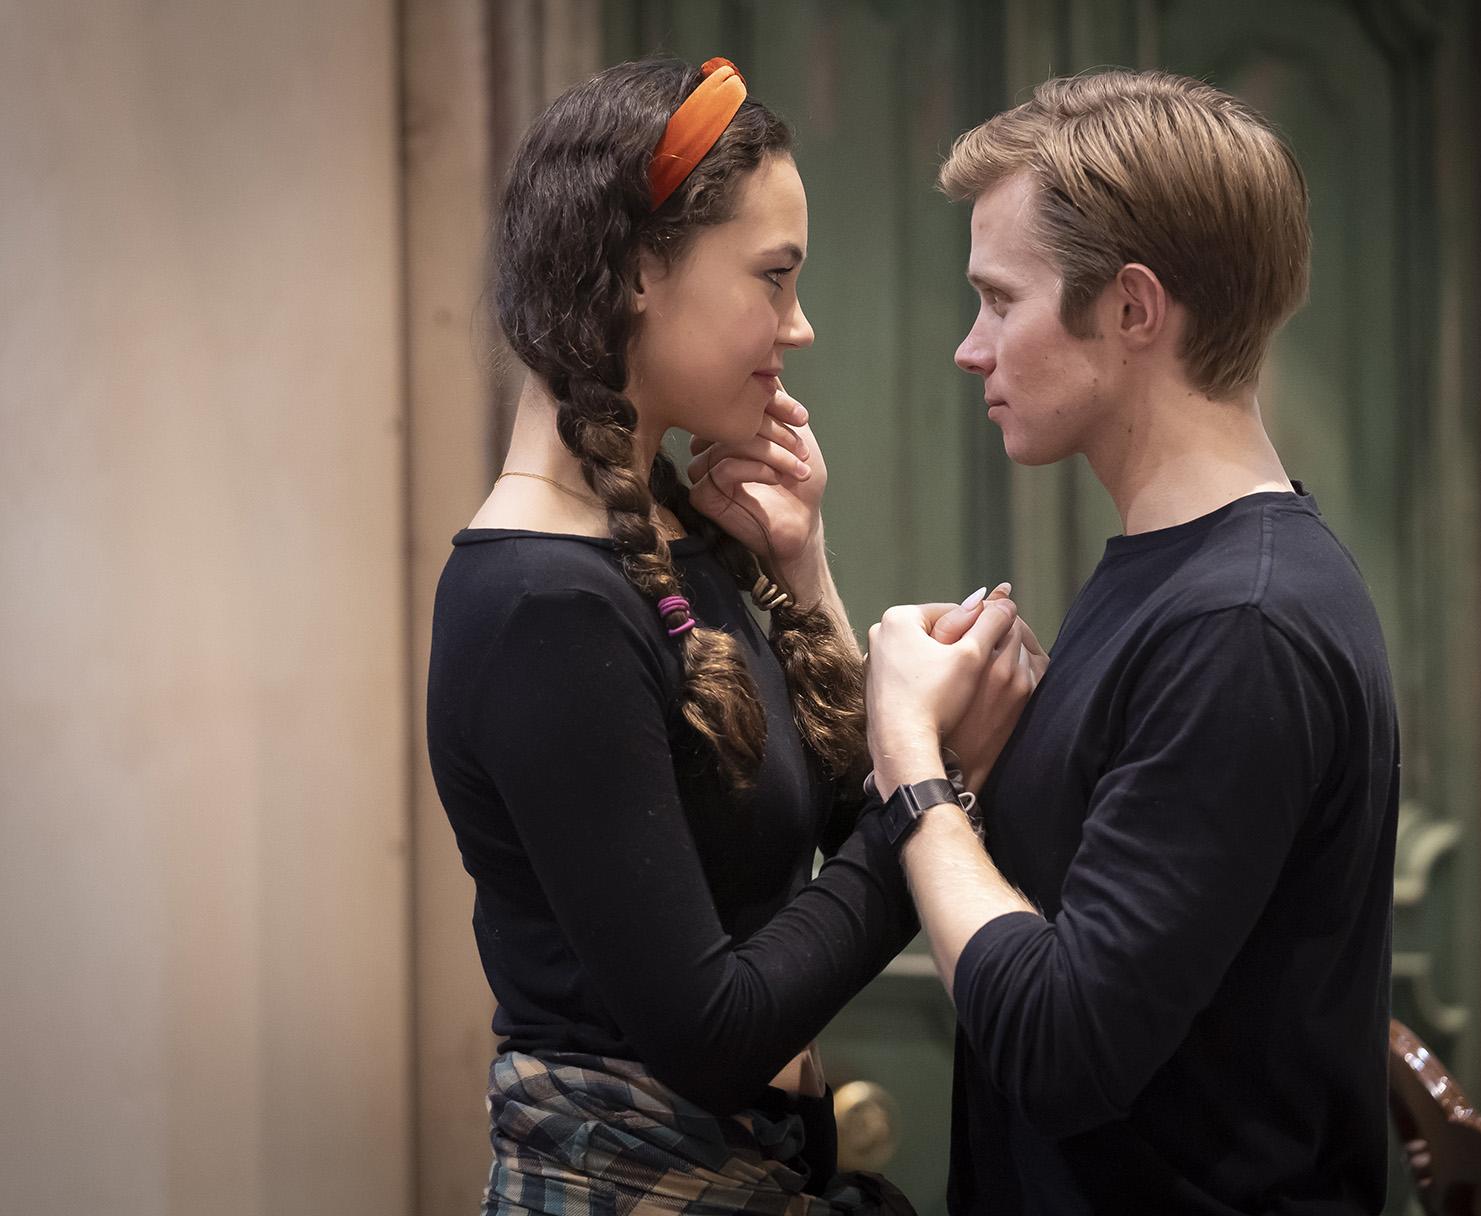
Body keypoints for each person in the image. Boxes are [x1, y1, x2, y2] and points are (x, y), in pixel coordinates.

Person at [425, 56, 996, 1214]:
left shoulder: (672, 537)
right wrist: (933, 793)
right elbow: (715, 1031)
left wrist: (804, 567)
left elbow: (839, 815)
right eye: (774, 278)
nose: (801, 325)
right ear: (639, 270)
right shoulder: (543, 602)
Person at [863, 70, 1402, 1214]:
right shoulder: (1182, 575)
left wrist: (916, 770)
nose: (971, 347)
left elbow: (1064, 1047)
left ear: (1133, 309)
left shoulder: (1239, 624)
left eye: (1000, 300)